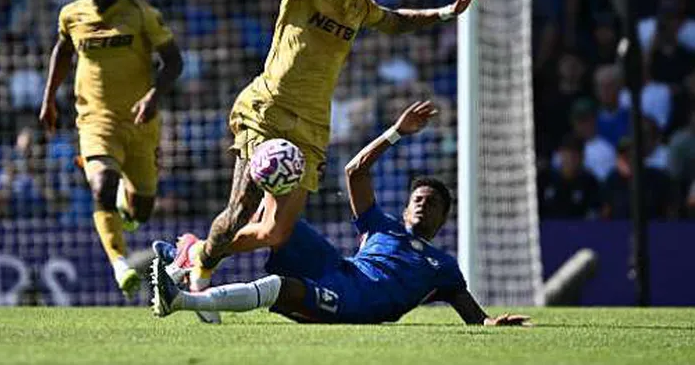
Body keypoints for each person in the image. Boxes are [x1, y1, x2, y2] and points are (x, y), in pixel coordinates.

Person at [170, 0, 487, 305]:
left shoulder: (359, 7)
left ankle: (196, 255)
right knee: (241, 211)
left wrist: (446, 11)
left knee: (275, 231)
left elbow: (397, 21)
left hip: (312, 130)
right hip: (268, 111)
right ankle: (201, 272)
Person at [151, 101, 529, 326]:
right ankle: (195, 258)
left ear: (444, 218)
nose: (422, 204)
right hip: (339, 265)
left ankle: (184, 300)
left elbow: (475, 316)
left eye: (432, 203)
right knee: (275, 217)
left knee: (283, 289)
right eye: (418, 198)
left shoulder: (443, 266)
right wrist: (395, 132)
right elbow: (354, 171)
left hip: (359, 303)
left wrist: (493, 323)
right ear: (404, 205)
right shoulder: (381, 226)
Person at [39, 0, 183, 297]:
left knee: (142, 211)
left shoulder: (141, 14)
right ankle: (120, 265)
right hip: (94, 120)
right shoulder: (71, 15)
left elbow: (174, 62)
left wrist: (153, 96)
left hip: (140, 121)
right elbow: (63, 52)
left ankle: (125, 205)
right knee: (101, 184)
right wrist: (48, 98)